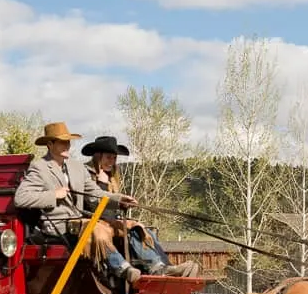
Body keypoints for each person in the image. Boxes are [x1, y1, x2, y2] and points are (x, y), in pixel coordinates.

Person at [14, 122, 144, 285]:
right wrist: (54, 195)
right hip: (58, 227)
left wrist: (118, 200)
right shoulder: (39, 168)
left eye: (68, 141)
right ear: (50, 144)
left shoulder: (76, 167)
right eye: (62, 141)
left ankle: (157, 267)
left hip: (79, 222)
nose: (67, 145)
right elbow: (21, 198)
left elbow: (94, 194)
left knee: (131, 226)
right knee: (95, 228)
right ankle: (122, 269)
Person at [81, 135, 199, 278]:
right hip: (94, 221)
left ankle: (164, 267)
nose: (111, 162)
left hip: (112, 220)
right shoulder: (85, 173)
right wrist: (105, 185)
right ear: (98, 156)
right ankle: (147, 269)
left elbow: (113, 204)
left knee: (143, 230)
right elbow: (93, 201)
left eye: (114, 158)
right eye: (108, 158)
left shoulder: (111, 176)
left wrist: (123, 204)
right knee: (126, 231)